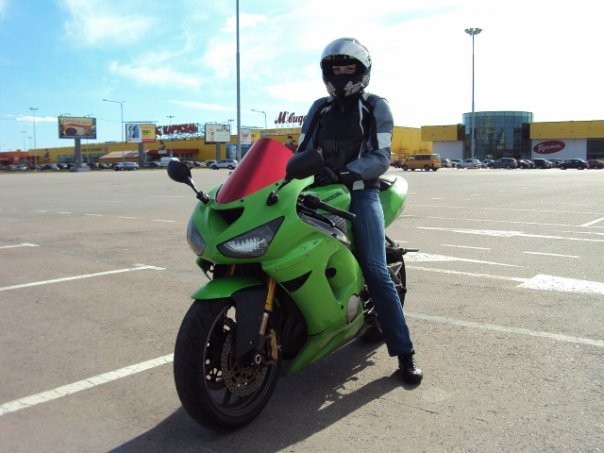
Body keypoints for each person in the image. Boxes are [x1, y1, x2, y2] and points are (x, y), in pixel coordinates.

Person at [295, 37, 423, 385]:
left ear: (362, 71)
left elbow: (381, 156)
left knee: (375, 270)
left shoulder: (376, 106)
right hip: (320, 191)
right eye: (335, 67)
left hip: (361, 193)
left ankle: (405, 352)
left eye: (348, 67)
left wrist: (347, 172)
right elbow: (302, 150)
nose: (341, 73)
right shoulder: (319, 109)